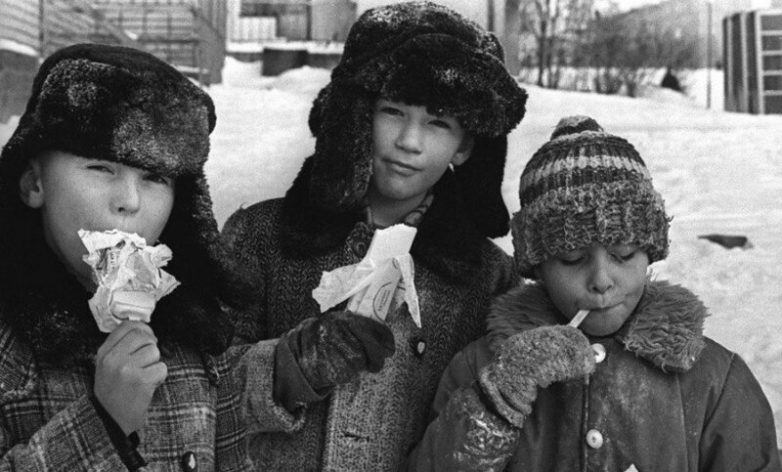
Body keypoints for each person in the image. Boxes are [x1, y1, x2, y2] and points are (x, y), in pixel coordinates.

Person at [220, 1, 528, 470]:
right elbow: (195, 393)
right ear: (355, 114)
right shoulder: (261, 238)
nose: (409, 141)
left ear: (465, 145)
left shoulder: (488, 280)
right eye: (393, 111)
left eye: (438, 122)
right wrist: (290, 367)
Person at [407, 116, 782, 471]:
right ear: (538, 267)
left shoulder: (715, 379)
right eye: (572, 259)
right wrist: (498, 399)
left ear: (650, 253)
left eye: (623, 254)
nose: (601, 279)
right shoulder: (481, 369)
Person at [0, 43, 271, 471]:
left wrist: (294, 367)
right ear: (34, 183)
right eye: (101, 168)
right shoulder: (8, 348)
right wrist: (103, 425)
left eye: (154, 177)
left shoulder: (191, 326)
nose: (129, 201)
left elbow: (225, 425)